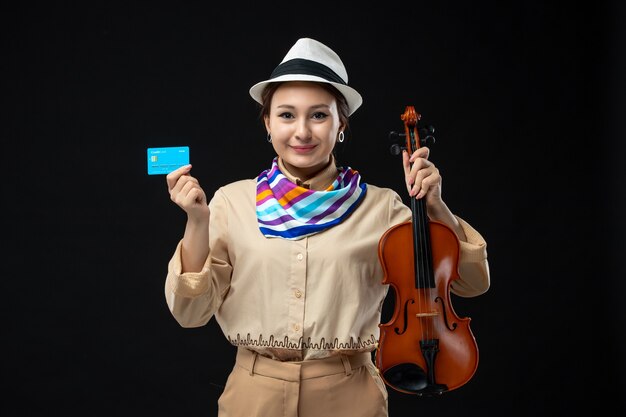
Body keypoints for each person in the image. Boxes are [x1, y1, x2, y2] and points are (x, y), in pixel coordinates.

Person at [163, 37, 490, 417]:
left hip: (350, 395)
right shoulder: (231, 202)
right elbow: (190, 314)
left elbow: (469, 283)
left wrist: (434, 207)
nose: (302, 132)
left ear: (341, 125)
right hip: (253, 395)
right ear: (268, 123)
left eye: (318, 115)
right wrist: (197, 222)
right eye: (286, 115)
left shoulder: (381, 207)